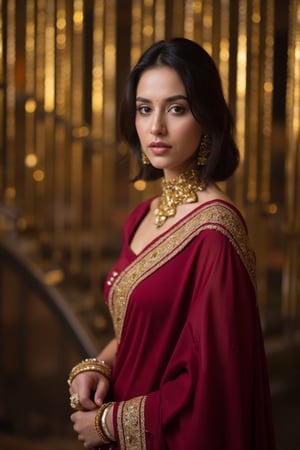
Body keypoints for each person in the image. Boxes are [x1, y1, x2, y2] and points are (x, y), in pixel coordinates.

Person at [68, 37, 275, 449]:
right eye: (145, 109)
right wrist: (98, 366)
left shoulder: (215, 234)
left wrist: (109, 424)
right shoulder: (140, 217)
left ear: (206, 117)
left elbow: (214, 391)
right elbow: (138, 333)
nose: (156, 127)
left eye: (176, 108)